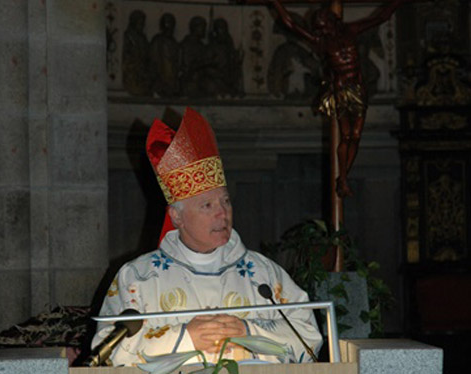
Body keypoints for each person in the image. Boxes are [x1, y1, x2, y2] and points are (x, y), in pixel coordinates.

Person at [92, 108, 323, 366]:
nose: (222, 213)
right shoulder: (138, 277)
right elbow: (106, 351)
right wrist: (185, 337)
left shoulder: (264, 275)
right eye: (207, 206)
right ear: (177, 217)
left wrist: (248, 332)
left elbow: (308, 338)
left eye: (225, 201)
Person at [270, 0, 406, 197]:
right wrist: (276, 4)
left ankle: (344, 175)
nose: (322, 30)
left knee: (357, 135)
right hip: (341, 90)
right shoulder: (321, 42)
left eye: (324, 25)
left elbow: (380, 17)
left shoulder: (350, 31)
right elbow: (291, 24)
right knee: (346, 135)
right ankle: (342, 178)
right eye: (319, 28)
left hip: (358, 88)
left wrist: (396, 3)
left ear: (331, 21)